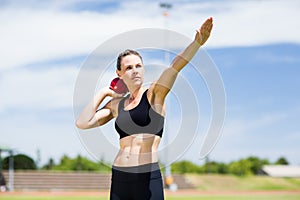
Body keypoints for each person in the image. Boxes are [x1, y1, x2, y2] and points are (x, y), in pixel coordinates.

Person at [76, 17, 213, 200]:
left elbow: (174, 68)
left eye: (138, 66)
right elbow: (83, 123)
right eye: (129, 67)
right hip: (120, 178)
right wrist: (104, 92)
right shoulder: (116, 105)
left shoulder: (154, 94)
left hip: (147, 178)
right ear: (119, 73)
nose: (135, 70)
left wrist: (196, 44)